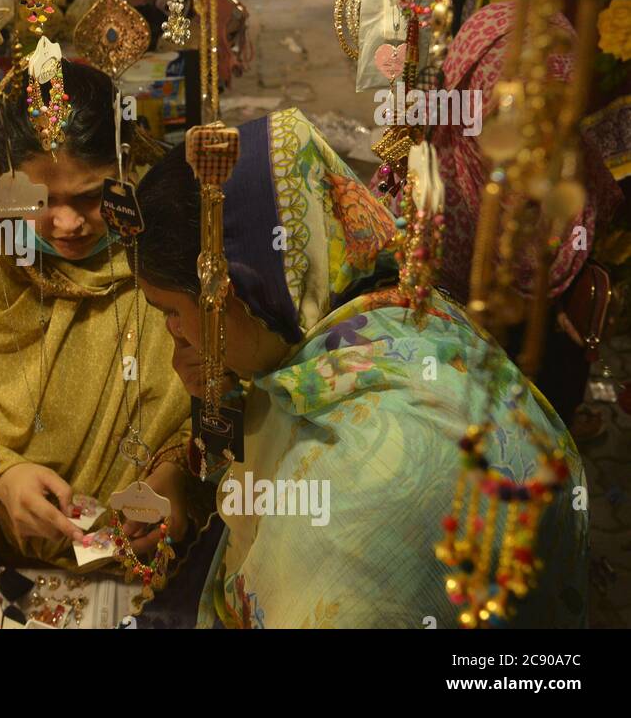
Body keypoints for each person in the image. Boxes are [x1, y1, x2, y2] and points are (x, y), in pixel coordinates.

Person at [129, 109, 587, 627]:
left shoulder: (364, 487)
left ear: (227, 292)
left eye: (171, 311)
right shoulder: (390, 317)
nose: (175, 334)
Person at [0, 61, 195, 567]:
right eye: (37, 201)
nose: (67, 223)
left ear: (124, 166)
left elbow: (229, 393)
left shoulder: (166, 252)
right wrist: (0, 478)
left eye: (90, 196)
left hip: (154, 561)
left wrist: (179, 476)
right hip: (16, 560)